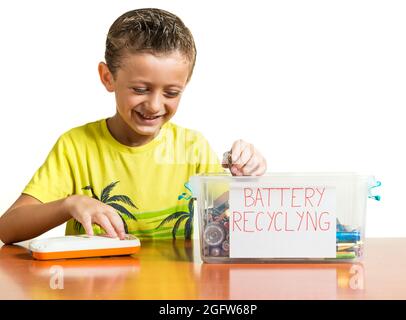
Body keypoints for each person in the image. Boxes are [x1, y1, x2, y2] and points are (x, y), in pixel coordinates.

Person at [0, 8, 267, 244]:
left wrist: (246, 180)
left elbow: (236, 228)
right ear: (108, 78)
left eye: (171, 93)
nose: (154, 105)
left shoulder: (192, 148)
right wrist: (69, 204)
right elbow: (8, 228)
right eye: (140, 89)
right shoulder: (75, 147)